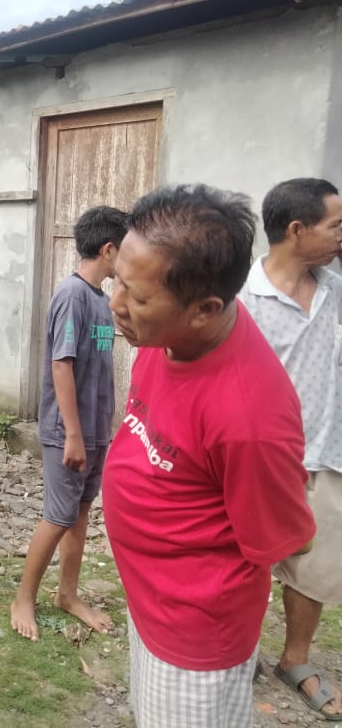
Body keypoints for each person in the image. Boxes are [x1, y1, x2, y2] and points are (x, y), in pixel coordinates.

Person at [102, 184, 315, 727]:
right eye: (118, 282)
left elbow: (278, 539)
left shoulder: (251, 417)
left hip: (195, 635)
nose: (117, 304)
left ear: (205, 309)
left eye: (137, 297)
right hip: (152, 604)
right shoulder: (165, 337)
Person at [238, 177, 342, 721]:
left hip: (327, 452)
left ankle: (296, 660)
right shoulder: (241, 298)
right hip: (261, 461)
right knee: (249, 560)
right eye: (336, 225)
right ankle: (242, 653)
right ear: (297, 230)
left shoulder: (337, 290)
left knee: (317, 566)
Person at [10, 205, 128, 641]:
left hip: (96, 430)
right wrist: (73, 435)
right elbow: (61, 365)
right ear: (109, 248)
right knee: (58, 516)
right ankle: (24, 596)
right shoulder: (72, 295)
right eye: (127, 250)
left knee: (79, 513)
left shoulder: (100, 299)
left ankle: (68, 594)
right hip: (68, 433)